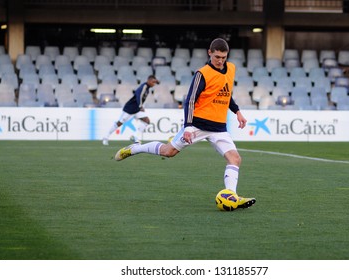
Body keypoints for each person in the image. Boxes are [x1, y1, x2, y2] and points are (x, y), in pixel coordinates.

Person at [114, 38, 255, 209]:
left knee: (235, 159)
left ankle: (231, 195)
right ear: (209, 53)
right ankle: (135, 148)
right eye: (217, 56)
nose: (220, 61)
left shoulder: (231, 69)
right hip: (197, 125)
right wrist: (188, 127)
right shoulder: (202, 74)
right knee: (168, 152)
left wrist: (237, 112)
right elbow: (189, 101)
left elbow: (225, 94)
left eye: (224, 57)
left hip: (218, 128)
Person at [102, 75, 159, 145]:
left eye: (154, 82)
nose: (154, 84)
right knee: (119, 123)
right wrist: (141, 106)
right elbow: (138, 95)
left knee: (146, 121)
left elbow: (156, 82)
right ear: (148, 80)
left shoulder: (148, 88)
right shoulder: (144, 86)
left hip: (137, 109)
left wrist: (157, 81)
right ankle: (106, 137)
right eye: (153, 82)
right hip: (129, 108)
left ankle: (135, 137)